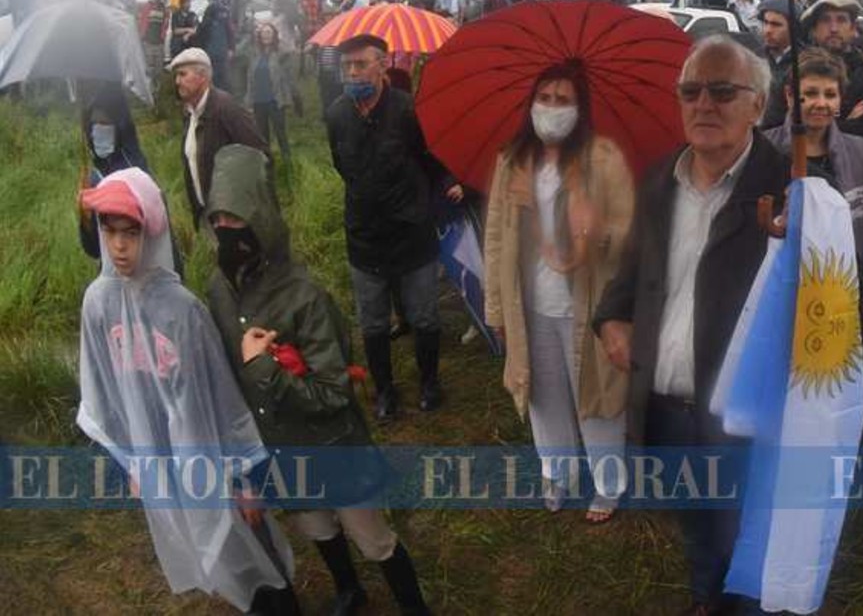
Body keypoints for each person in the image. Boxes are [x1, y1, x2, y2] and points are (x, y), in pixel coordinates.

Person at [592, 36, 790, 614]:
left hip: (741, 415)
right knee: (700, 528)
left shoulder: (791, 191)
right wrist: (610, 320)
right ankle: (707, 596)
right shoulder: (659, 181)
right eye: (691, 91)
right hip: (668, 407)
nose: (704, 104)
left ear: (758, 105)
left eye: (723, 91)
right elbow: (630, 273)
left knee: (747, 538)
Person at [203, 144, 433, 615]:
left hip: (333, 446)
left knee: (370, 537)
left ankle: (415, 607)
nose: (228, 232)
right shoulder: (217, 293)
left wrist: (263, 367)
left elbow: (333, 391)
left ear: (261, 220)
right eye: (218, 221)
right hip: (281, 448)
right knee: (316, 527)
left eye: (237, 219)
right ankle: (349, 589)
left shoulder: (303, 296)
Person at [76, 168, 300, 614]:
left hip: (209, 458)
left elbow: (220, 399)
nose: (119, 246)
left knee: (253, 545)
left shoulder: (182, 312)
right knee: (217, 556)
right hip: (162, 461)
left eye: (131, 232)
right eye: (109, 230)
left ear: (152, 232)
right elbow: (104, 390)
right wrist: (132, 461)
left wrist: (242, 479)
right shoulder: (98, 304)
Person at [482, 63, 635, 523]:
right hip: (529, 305)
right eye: (544, 97)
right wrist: (496, 310)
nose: (551, 108)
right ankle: (558, 472)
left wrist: (598, 228)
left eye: (563, 99)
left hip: (587, 304)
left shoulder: (603, 158)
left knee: (597, 396)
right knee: (543, 395)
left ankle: (608, 483)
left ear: (580, 108)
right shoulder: (512, 160)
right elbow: (494, 236)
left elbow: (631, 233)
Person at [325, 33, 463, 420]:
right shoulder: (336, 114)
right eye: (346, 66)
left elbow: (429, 156)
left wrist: (448, 181)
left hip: (411, 232)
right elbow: (341, 164)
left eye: (360, 64)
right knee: (371, 321)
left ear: (382, 65)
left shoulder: (407, 110)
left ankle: (429, 381)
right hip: (364, 236)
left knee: (424, 316)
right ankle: (385, 391)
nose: (352, 73)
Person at [763, 48, 863, 268]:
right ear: (789, 95)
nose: (821, 103)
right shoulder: (762, 150)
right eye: (810, 93)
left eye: (830, 95)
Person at [169, 47, 269, 228]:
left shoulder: (226, 109)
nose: (177, 81)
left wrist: (235, 209)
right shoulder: (190, 113)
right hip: (208, 215)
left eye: (183, 74)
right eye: (176, 76)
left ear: (203, 76)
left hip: (234, 220)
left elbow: (261, 156)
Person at [801, 0, 863, 144]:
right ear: (814, 29)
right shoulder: (797, 72)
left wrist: (819, 126)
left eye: (841, 20)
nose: (834, 28)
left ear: (853, 29)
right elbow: (787, 126)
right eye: (825, 20)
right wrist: (846, 122)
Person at [240, 22, 294, 163]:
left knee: (280, 133)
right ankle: (267, 163)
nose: (266, 35)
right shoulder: (254, 54)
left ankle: (288, 162)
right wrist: (249, 35)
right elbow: (239, 51)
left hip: (275, 101)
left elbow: (289, 50)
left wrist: (278, 40)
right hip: (258, 102)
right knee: (263, 136)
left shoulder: (280, 53)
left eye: (269, 32)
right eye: (263, 32)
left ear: (274, 35)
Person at [756, 0, 794, 130]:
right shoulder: (754, 57)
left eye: (776, 25)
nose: (768, 30)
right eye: (765, 23)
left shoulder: (804, 62)